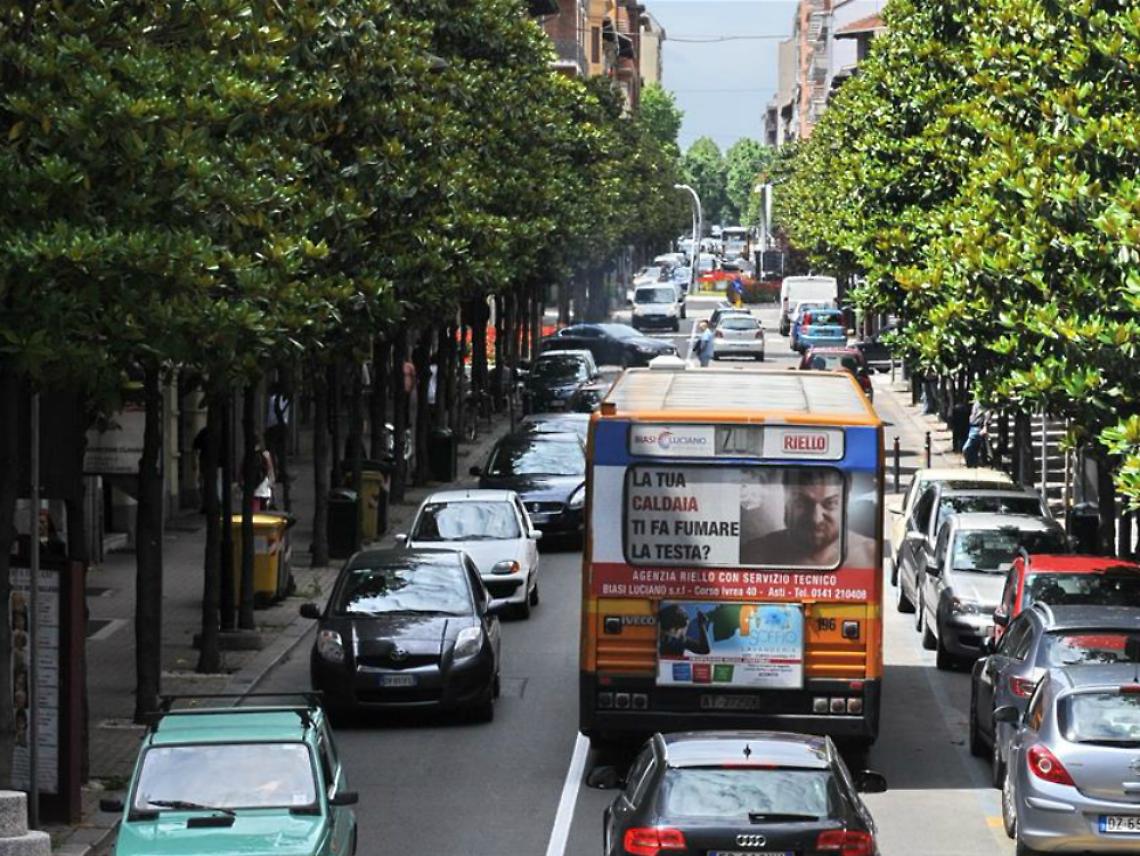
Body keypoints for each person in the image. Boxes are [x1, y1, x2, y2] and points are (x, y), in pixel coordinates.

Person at [739, 470, 872, 568]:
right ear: (786, 502)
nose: (816, 519)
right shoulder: (754, 554)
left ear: (846, 503)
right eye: (802, 503)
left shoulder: (870, 554)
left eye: (830, 504)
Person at [962, 400, 990, 468]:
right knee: (973, 450)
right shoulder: (976, 403)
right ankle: (973, 466)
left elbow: (987, 414)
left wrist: (985, 427)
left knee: (966, 449)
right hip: (972, 428)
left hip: (977, 428)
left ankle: (972, 465)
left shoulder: (983, 403)